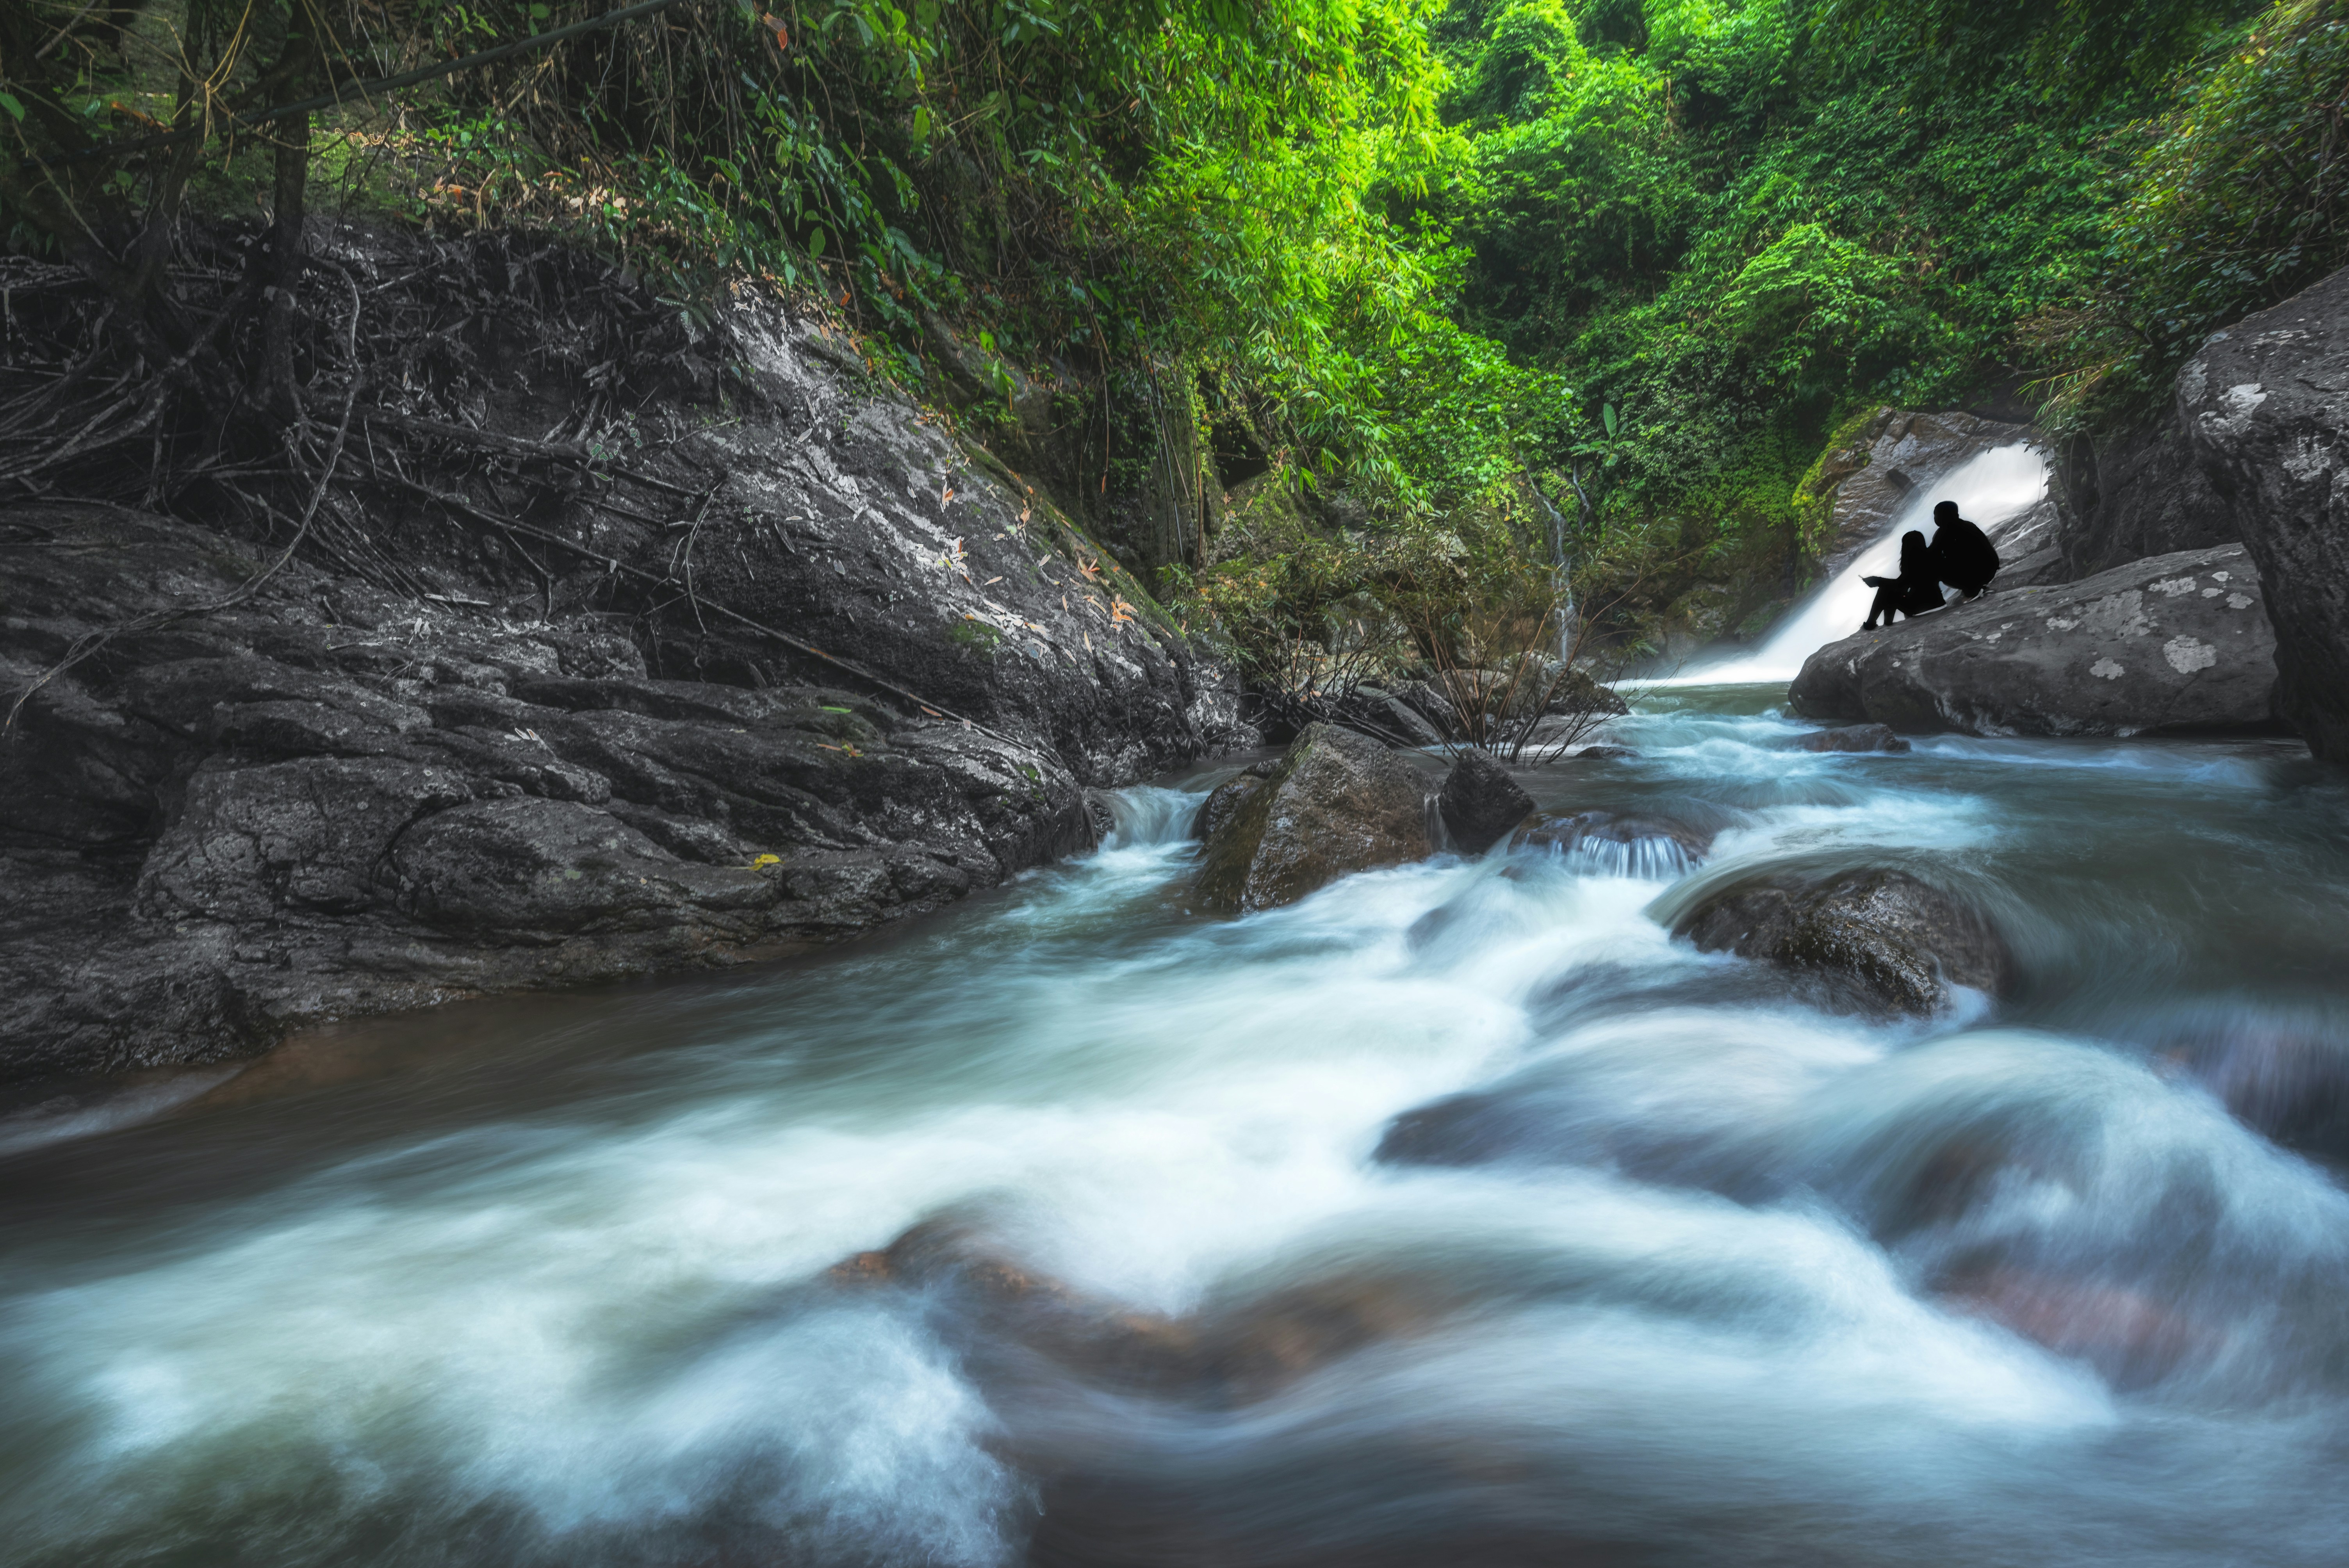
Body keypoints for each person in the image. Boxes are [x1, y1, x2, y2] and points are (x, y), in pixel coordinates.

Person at [1860, 530, 1944, 631]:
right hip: (1939, 603)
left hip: (1921, 609)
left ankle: (1871, 625)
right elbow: (1903, 582)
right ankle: (1886, 624)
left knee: (1885, 591)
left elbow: (1901, 584)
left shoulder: (1912, 564)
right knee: (1889, 590)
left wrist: (1878, 581)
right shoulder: (1931, 557)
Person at [1926, 499, 2000, 600]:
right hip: (1989, 569)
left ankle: (1934, 602)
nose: (1935, 519)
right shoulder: (1968, 525)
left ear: (1944, 515)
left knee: (1933, 568)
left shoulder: (1944, 532)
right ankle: (1973, 588)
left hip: (1978, 573)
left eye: (1936, 515)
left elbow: (1930, 555)